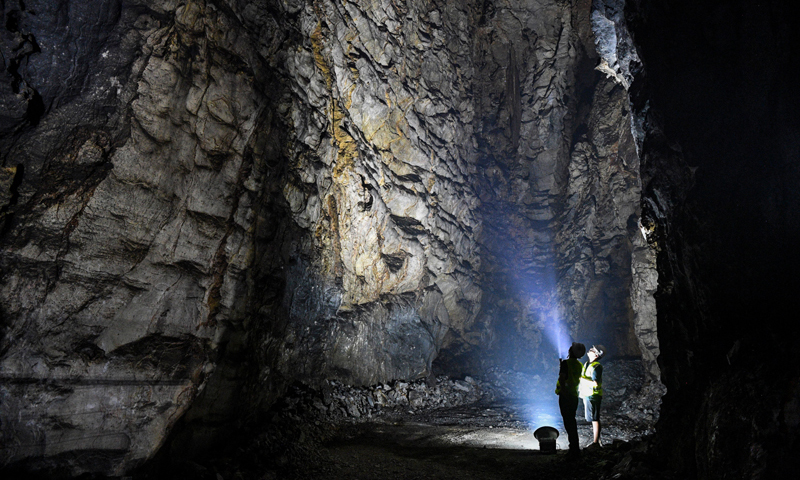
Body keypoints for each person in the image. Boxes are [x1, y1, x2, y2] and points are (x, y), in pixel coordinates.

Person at [555, 342, 585, 457]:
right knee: (572, 421)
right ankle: (574, 447)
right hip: (574, 396)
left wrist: (563, 391)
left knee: (568, 423)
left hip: (566, 395)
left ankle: (574, 449)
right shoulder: (579, 365)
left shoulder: (566, 363)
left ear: (570, 351)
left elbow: (563, 378)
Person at [579, 344, 606, 448]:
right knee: (593, 418)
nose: (589, 350)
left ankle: (596, 443)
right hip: (588, 395)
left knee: (595, 418)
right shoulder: (587, 364)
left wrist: (581, 379)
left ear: (596, 354)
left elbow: (595, 383)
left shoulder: (597, 366)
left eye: (592, 350)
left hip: (593, 396)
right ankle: (597, 441)